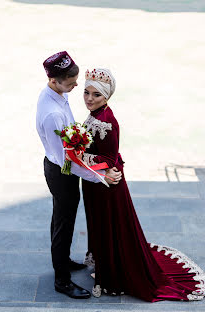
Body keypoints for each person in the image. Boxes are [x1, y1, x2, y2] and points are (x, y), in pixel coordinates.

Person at [80, 68, 205, 301]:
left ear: (107, 96)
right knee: (99, 224)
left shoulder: (107, 122)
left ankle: (112, 275)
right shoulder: (96, 114)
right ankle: (107, 264)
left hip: (106, 184)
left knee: (108, 226)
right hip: (95, 182)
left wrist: (78, 156)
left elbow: (108, 159)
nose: (89, 98)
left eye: (96, 95)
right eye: (86, 92)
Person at [36, 52, 121, 299]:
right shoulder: (53, 112)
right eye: (71, 82)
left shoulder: (56, 94)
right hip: (61, 172)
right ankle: (62, 279)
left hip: (62, 167)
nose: (76, 85)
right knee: (64, 223)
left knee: (63, 219)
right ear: (54, 81)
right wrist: (100, 176)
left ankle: (62, 261)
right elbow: (67, 160)